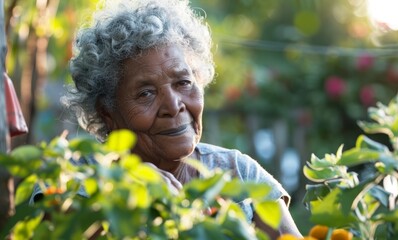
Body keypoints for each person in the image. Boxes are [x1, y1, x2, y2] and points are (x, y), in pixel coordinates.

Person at [60, 0, 302, 238]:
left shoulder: (238, 172)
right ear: (107, 113)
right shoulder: (72, 183)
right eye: (146, 93)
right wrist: (128, 198)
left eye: (183, 83)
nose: (174, 106)